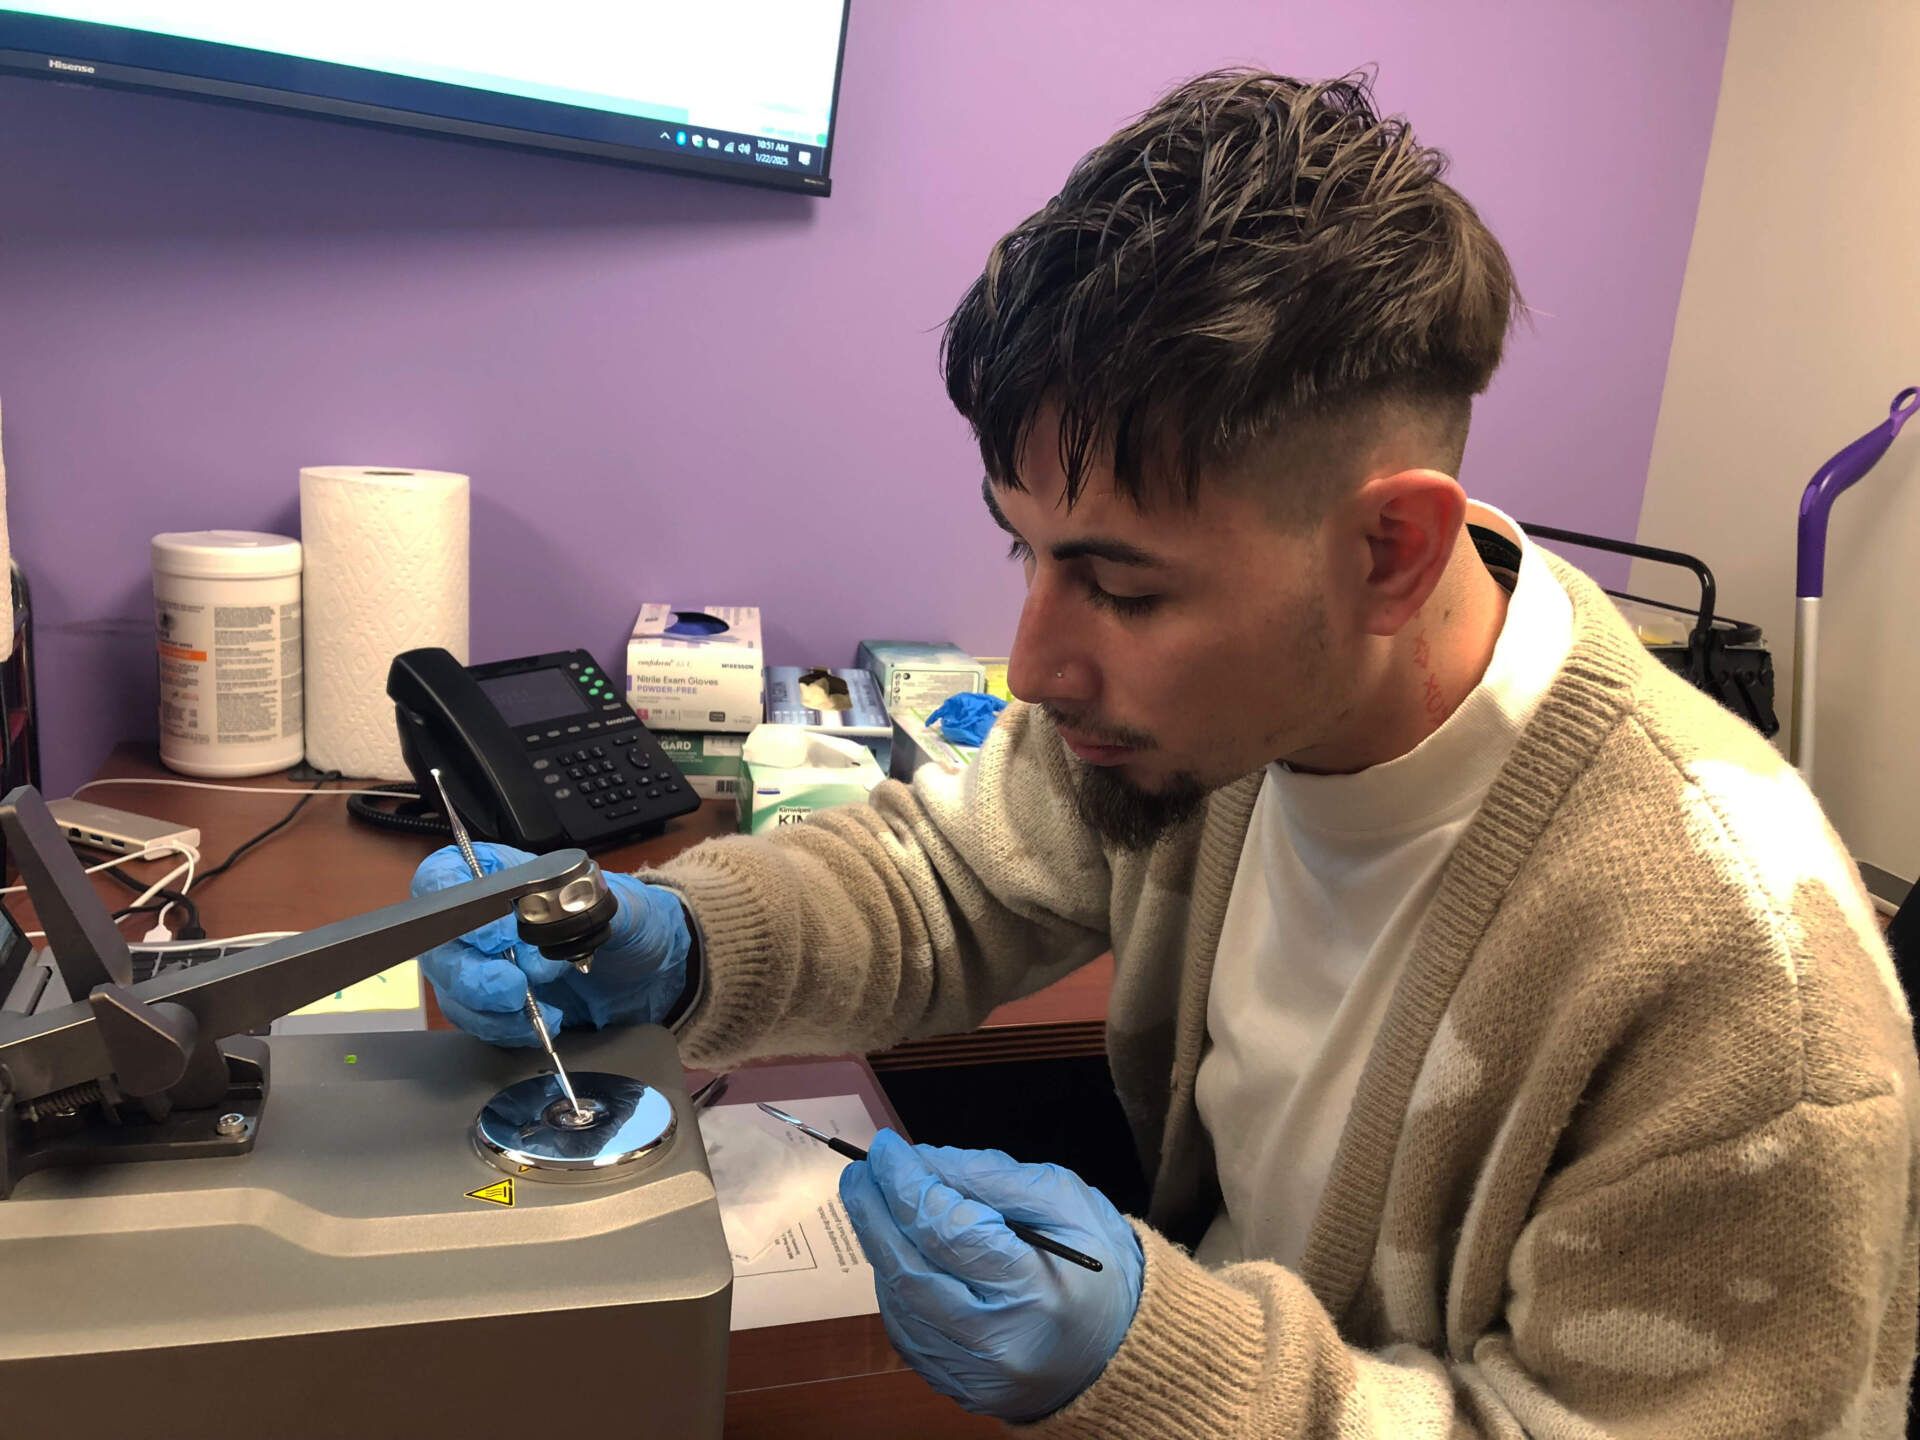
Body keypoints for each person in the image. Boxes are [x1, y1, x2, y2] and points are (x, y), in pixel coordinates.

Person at [414, 70, 1919, 1437]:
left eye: (1125, 589)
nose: (1038, 667)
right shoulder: (1217, 719)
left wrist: (1170, 1371)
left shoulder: (1741, 995)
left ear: (1391, 553)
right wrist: (686, 944)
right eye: (1027, 552)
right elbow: (949, 882)